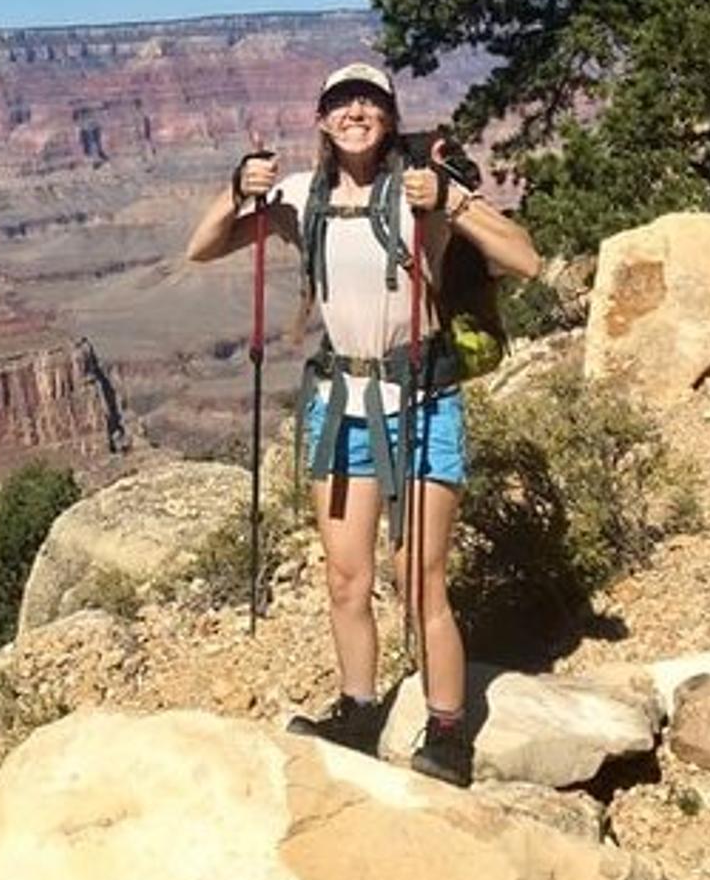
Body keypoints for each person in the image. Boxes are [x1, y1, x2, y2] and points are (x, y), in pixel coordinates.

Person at [185, 62, 540, 785]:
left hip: (420, 399)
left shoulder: (421, 192)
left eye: (370, 101)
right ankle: (359, 708)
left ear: (388, 116)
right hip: (340, 403)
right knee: (347, 578)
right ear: (321, 119)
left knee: (419, 579)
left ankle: (447, 728)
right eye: (342, 102)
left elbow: (524, 260)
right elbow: (204, 245)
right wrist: (235, 189)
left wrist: (453, 201)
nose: (356, 111)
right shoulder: (299, 197)